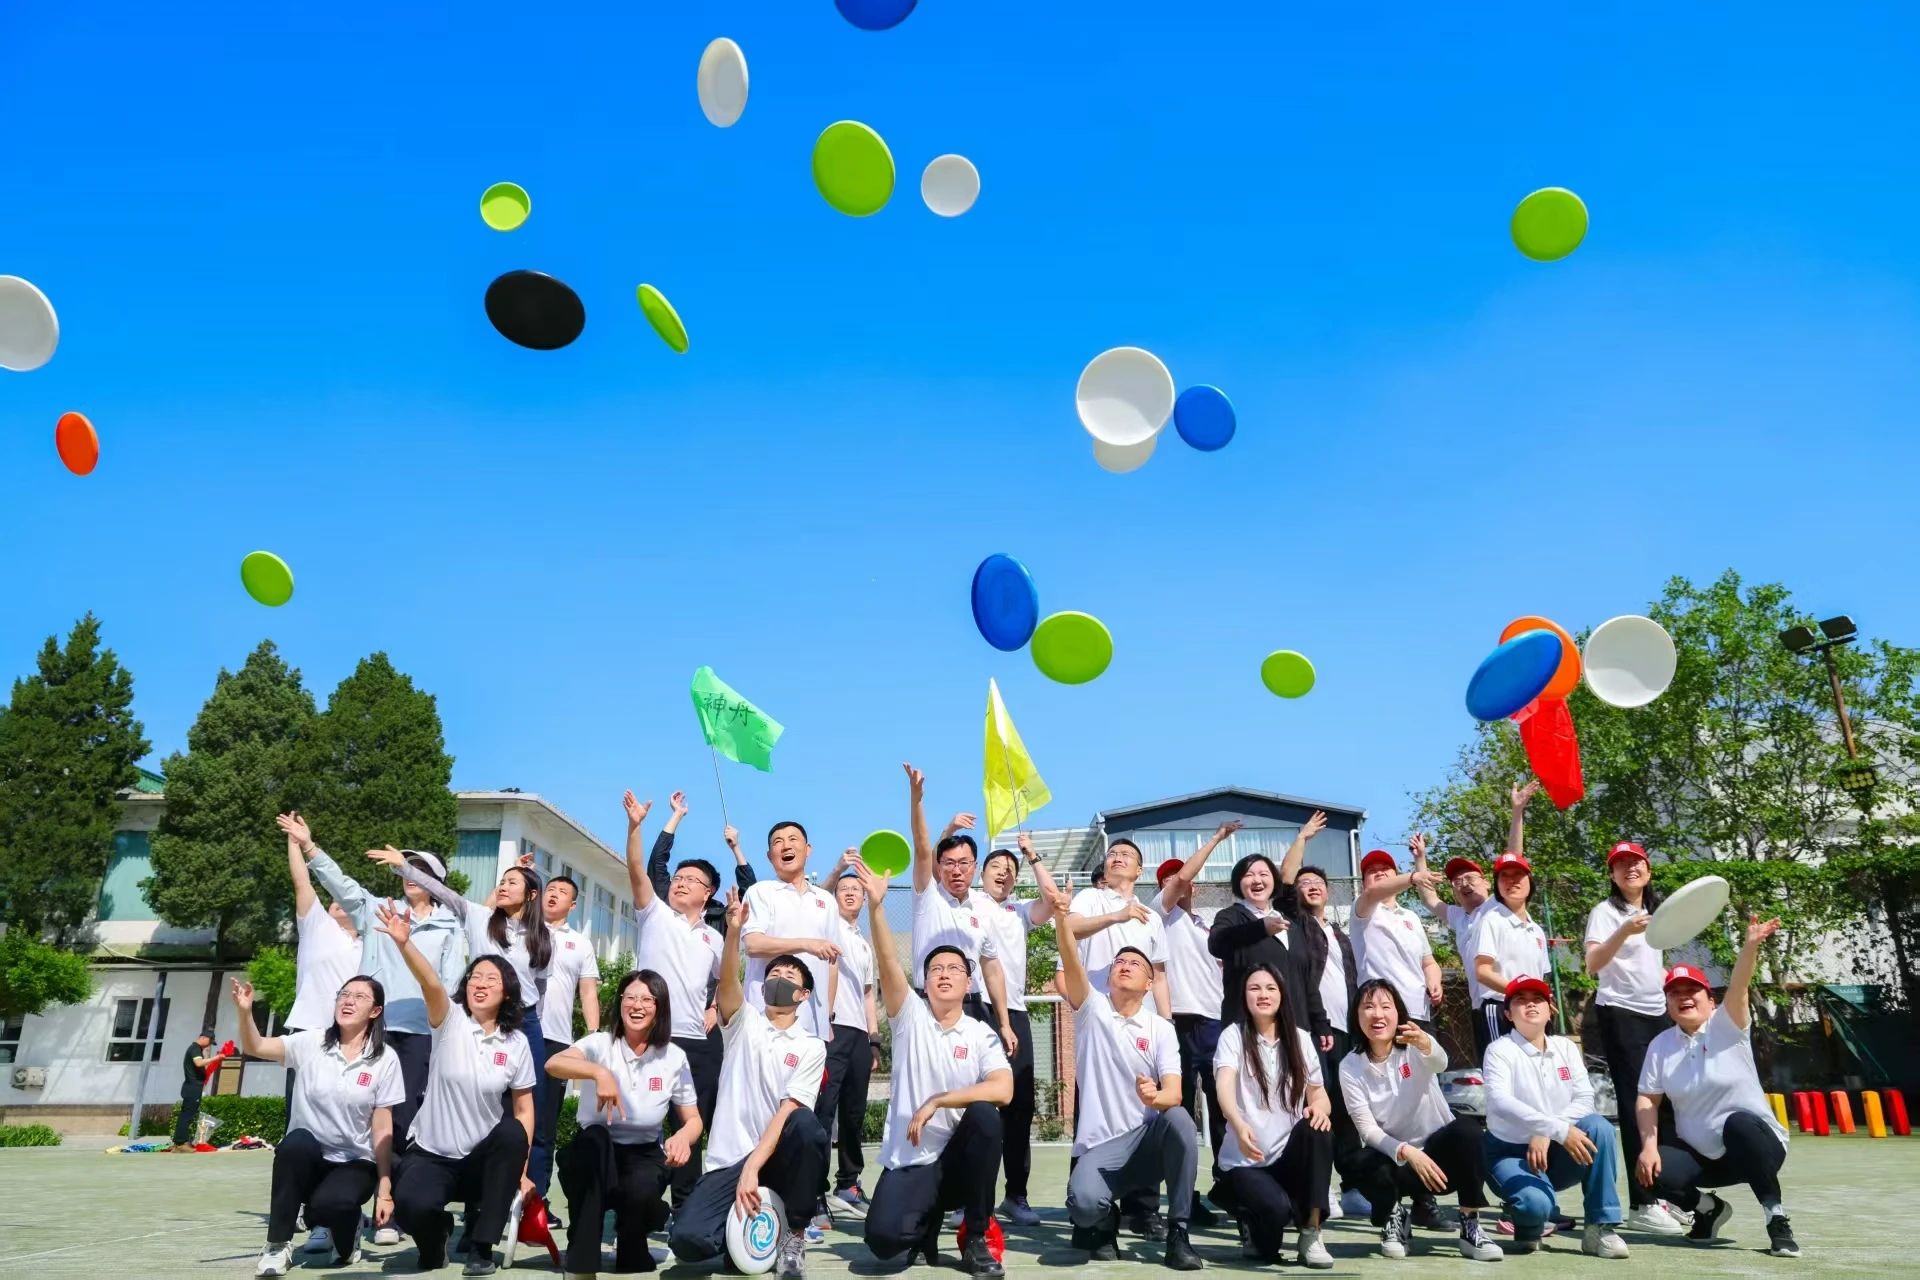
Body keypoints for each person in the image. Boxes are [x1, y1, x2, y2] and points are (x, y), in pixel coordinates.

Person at [280, 810, 465, 1241]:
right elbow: (340, 884)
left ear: (436, 881)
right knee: (345, 1119)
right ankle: (330, 1216)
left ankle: (392, 1213)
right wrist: (309, 846)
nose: (410, 875)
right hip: (373, 1031)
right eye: (407, 868)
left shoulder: (450, 925)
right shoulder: (379, 910)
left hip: (418, 1034)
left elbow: (450, 984)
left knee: (400, 1123)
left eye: (421, 869)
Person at [844, 854, 1012, 1278]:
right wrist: (876, 908)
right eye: (935, 968)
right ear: (925, 980)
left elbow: (1003, 1089)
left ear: (968, 982)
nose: (944, 974)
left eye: (954, 968)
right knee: (883, 1241)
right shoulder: (910, 1018)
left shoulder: (980, 1033)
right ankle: (926, 1226)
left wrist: (939, 1100)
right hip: (914, 1160)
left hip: (958, 1162)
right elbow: (888, 964)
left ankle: (975, 1236)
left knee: (985, 1115)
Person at [668, 889, 830, 1280]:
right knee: (688, 1242)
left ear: (804, 994)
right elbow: (727, 983)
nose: (778, 980)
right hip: (729, 1159)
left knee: (806, 1127)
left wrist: (753, 1168)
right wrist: (734, 933)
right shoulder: (744, 1023)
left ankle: (793, 1237)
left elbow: (789, 1111)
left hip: (776, 1158)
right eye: (773, 975)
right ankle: (744, 1234)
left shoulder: (811, 1046)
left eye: (789, 977)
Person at [379, 842, 556, 1197]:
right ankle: (473, 1187)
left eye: (512, 882)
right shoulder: (478, 917)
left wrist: (529, 1023)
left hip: (524, 1022)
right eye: (501, 881)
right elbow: (442, 891)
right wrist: (404, 868)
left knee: (527, 1108)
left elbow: (539, 986)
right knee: (481, 1101)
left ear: (532, 895)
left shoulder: (543, 937)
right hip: (478, 1020)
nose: (503, 886)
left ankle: (527, 1192)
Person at [1052, 883, 1204, 1271]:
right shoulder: (1091, 1010)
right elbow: (1069, 955)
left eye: (1135, 963)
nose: (1124, 965)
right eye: (1119, 961)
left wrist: (1155, 1097)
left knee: (1180, 1120)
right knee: (1084, 1207)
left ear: (1149, 983)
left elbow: (1174, 1094)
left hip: (1145, 1143)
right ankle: (1105, 1218)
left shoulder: (1160, 1028)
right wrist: (1061, 918)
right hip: (1100, 1147)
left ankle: (1179, 1232)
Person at [382, 904, 536, 1277]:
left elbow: (525, 1110)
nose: (480, 984)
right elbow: (431, 984)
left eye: (491, 979)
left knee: (512, 1132)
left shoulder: (516, 1043)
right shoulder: (449, 1021)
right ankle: (437, 1238)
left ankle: (482, 1247)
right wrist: (404, 943)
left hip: (482, 1161)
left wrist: (522, 1170)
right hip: (432, 1154)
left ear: (507, 993)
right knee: (411, 1206)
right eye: (474, 978)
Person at [1635, 916, 1799, 1258]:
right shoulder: (1661, 1046)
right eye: (1675, 993)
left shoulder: (1727, 1026)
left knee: (1738, 1123)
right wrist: (1648, 1147)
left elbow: (1739, 986)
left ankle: (1776, 1218)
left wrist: (1750, 946)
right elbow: (1648, 1099)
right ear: (1667, 1005)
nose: (1684, 997)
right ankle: (1709, 1209)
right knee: (1653, 1170)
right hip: (1705, 1158)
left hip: (1757, 1147)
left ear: (1711, 1001)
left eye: (1692, 991)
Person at [231, 973, 401, 1277]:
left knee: (328, 1208)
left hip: (354, 1161)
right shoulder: (311, 1042)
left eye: (359, 997)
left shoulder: (384, 1059)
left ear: (375, 1011)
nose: (348, 1001)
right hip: (310, 1157)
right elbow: (255, 1046)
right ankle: (277, 1244)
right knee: (294, 1143)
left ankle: (347, 1233)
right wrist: (245, 1012)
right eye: (344, 994)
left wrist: (385, 1185)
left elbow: (382, 1124)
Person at [546, 969, 701, 1275]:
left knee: (634, 1256)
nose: (636, 1005)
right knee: (595, 1142)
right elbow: (553, 1063)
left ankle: (641, 1229)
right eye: (629, 997)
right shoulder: (599, 1044)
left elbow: (693, 1118)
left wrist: (684, 1137)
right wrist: (599, 1072)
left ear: (660, 1007)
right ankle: (582, 1261)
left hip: (643, 1154)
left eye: (646, 999)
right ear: (619, 1003)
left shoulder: (673, 1057)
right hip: (593, 1150)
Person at [1338, 979, 1503, 1262]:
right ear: (1356, 1015)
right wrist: (1407, 1152)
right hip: (1398, 1163)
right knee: (1358, 1159)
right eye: (1368, 1007)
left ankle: (1470, 1225)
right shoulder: (1350, 1066)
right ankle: (1394, 1216)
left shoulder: (1415, 1045)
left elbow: (1440, 1062)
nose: (1377, 1014)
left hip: (1439, 1164)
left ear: (1398, 1013)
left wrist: (1426, 1044)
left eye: (1385, 1006)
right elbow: (1366, 1129)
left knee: (1468, 1130)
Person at [625, 789, 729, 1212]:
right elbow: (639, 868)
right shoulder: (654, 913)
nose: (681, 882)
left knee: (691, 1126)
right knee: (642, 1122)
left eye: (691, 880)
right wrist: (637, 826)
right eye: (678, 877)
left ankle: (686, 1208)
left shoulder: (714, 939)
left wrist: (713, 1007)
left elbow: (726, 982)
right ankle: (642, 1201)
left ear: (708, 893)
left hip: (696, 1043)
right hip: (651, 1038)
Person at [1483, 975, 1630, 1259]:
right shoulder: (1499, 1050)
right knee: (1535, 1205)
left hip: (1556, 1152)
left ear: (1551, 1009)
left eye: (1538, 999)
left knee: (1599, 1128)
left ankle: (1600, 1228)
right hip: (1508, 1152)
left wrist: (1548, 1132)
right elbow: (1501, 1102)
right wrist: (1555, 1128)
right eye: (1520, 1000)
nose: (1530, 1005)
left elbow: (1585, 1099)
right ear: (1508, 1014)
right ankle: (1529, 1225)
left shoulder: (1565, 1047)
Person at [1583, 840, 1685, 1235]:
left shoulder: (1657, 912)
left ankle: (1667, 1193)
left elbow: (1649, 964)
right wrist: (1624, 930)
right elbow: (1593, 964)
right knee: (1635, 1104)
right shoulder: (1605, 913)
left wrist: (1669, 984)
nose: (1630, 869)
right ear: (1612, 874)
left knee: (1666, 1102)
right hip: (1620, 1013)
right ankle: (1642, 1202)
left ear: (1648, 869)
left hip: (1657, 1012)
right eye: (1621, 864)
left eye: (1636, 862)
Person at [1212, 962, 1336, 1269]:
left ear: (1282, 994)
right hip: (1246, 1162)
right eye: (1254, 988)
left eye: (1270, 988)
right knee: (1272, 1227)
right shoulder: (1233, 1036)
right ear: (1244, 996)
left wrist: (1319, 1108)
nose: (1263, 995)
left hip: (1286, 1159)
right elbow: (1224, 1087)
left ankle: (1311, 1232)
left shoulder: (1301, 1039)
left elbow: (1319, 1094)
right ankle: (1249, 1218)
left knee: (1318, 1129)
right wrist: (1237, 1123)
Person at [1149, 820, 1240, 1226]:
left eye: (1182, 879)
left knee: (1224, 1106)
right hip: (1180, 1022)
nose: (1179, 882)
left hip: (1215, 1023)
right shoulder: (1161, 915)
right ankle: (1183, 1199)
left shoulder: (1205, 925)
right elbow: (1183, 876)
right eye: (1170, 879)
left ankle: (1230, 1185)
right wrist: (1217, 838)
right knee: (1181, 1113)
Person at [1273, 812, 1364, 1216]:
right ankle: (1318, 1186)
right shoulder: (1297, 924)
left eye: (1318, 883)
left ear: (1328, 892)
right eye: (1305, 883)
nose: (1311, 886)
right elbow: (1285, 880)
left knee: (1346, 1108)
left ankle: (1353, 1185)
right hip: (1311, 1029)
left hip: (1344, 1032)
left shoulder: (1339, 933)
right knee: (1316, 1105)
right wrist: (1303, 838)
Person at [976, 830, 1066, 1227]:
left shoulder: (1019, 912)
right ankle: (968, 1197)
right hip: (975, 1008)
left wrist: (1031, 855)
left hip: (1015, 1012)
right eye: (996, 866)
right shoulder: (967, 903)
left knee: (1019, 1106)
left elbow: (1054, 900)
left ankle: (1016, 1195)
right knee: (976, 1104)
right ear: (981, 873)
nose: (1003, 873)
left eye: (1010, 870)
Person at [1411, 782, 1533, 1062]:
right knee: (1496, 1069)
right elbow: (1429, 898)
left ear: (1488, 882)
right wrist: (1421, 860)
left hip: (1505, 1000)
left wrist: (1517, 812)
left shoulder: (1496, 907)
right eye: (1457, 881)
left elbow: (1514, 859)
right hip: (1482, 1006)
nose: (1464, 884)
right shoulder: (1460, 916)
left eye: (1470, 878)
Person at [905, 765, 1017, 1051]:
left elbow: (992, 968)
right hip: (929, 1001)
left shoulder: (982, 909)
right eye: (949, 863)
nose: (957, 870)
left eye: (964, 863)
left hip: (972, 1003)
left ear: (975, 867)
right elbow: (922, 847)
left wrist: (1004, 1023)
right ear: (939, 866)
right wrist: (917, 798)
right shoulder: (927, 896)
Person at [526, 864, 599, 1207]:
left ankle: (536, 1200)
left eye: (562, 892)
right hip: (515, 1033)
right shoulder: (522, 930)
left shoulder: (580, 943)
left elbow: (588, 992)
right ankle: (487, 1200)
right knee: (503, 1117)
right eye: (549, 890)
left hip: (555, 1040)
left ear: (573, 904)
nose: (553, 895)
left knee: (543, 1123)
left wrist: (594, 1038)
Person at [1207, 849, 1330, 1038]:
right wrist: (1261, 928)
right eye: (1249, 875)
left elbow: (1307, 980)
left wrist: (1320, 1021)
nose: (1257, 880)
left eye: (1264, 874)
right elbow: (1217, 943)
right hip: (1249, 1031)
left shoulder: (1290, 923)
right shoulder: (1231, 916)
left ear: (1274, 880)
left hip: (1296, 1031)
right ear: (1238, 882)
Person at [739, 820, 840, 1043]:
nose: (786, 846)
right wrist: (806, 944)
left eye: (793, 839)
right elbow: (753, 945)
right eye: (778, 842)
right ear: (770, 856)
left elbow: (833, 963)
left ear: (808, 849)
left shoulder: (826, 900)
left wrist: (827, 1015)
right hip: (765, 1019)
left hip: (813, 1022)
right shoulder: (760, 892)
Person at [820, 865, 879, 1221]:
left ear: (865, 896)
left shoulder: (863, 944)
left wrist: (874, 1039)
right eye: (844, 888)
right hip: (832, 1029)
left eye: (857, 888)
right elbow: (821, 893)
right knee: (823, 1111)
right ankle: (815, 1192)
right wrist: (839, 869)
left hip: (858, 1034)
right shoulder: (827, 925)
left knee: (854, 1114)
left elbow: (868, 994)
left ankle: (848, 1185)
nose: (851, 892)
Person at [1351, 845, 1444, 1034]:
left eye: (1385, 869)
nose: (1379, 873)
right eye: (1372, 871)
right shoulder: (1362, 909)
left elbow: (1428, 962)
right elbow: (1372, 893)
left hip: (1419, 1011)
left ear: (1395, 875)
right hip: (1381, 1013)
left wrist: (1435, 982)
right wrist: (1413, 877)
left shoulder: (1411, 917)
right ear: (1363, 883)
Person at [1473, 852, 1549, 1044]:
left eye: (1518, 874)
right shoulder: (1491, 921)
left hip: (1534, 1011)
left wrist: (1544, 1000)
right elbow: (1482, 971)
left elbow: (1541, 976)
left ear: (1530, 880)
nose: (1511, 880)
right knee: (1503, 1061)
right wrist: (1518, 993)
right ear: (1497, 885)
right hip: (1501, 1008)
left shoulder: (1537, 930)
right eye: (1504, 876)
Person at [171, 1028, 225, 1150]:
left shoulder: (196, 1049)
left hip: (192, 1087)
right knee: (187, 1116)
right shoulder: (195, 1049)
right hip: (193, 1087)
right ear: (203, 1038)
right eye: (210, 1042)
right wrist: (216, 1058)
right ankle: (181, 1143)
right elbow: (199, 1063)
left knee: (186, 1115)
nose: (209, 1045)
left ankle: (180, 1142)